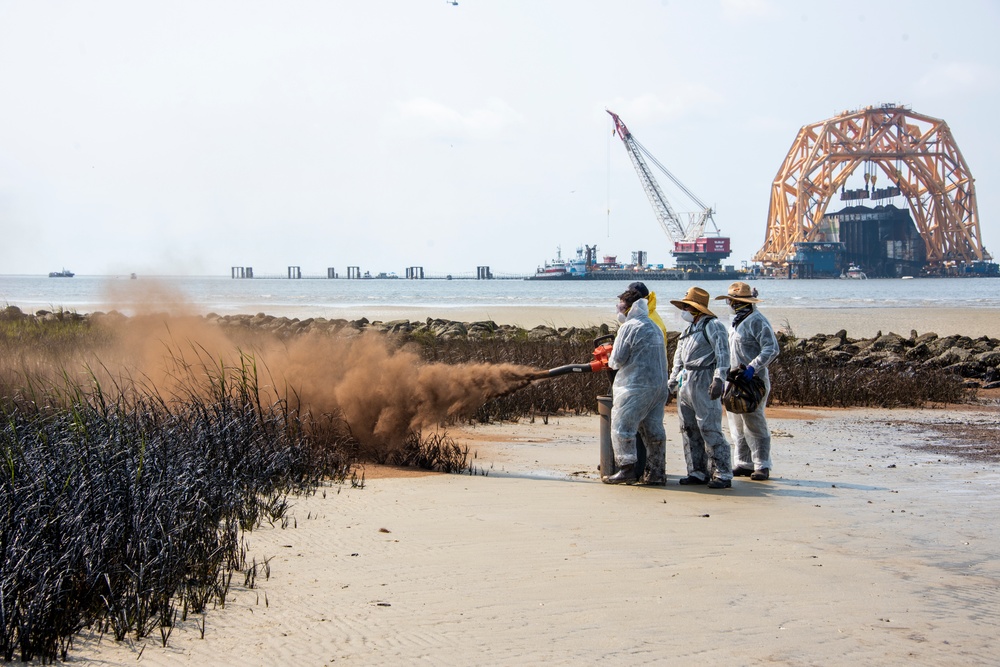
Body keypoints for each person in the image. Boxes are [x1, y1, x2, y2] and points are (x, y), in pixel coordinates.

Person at [604, 282, 670, 485]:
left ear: (630, 307)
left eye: (621, 306)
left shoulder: (628, 327)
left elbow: (616, 360)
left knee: (621, 426)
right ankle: (656, 472)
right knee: (653, 430)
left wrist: (608, 357)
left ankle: (626, 468)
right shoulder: (653, 325)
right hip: (659, 387)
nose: (619, 310)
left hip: (635, 387)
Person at [668, 287, 733, 489]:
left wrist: (719, 379)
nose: (684, 310)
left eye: (686, 306)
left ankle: (722, 473)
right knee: (688, 429)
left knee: (709, 428)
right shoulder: (687, 331)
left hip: (704, 378)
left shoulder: (713, 326)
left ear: (696, 309)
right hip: (685, 380)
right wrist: (671, 383)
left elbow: (723, 354)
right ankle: (697, 471)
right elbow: (678, 359)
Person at [714, 281, 779, 481]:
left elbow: (771, 348)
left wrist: (753, 366)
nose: (732, 305)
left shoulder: (757, 320)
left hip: (753, 381)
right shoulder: (736, 323)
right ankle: (743, 462)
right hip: (734, 381)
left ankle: (762, 465)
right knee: (736, 423)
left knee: (754, 421)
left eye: (734, 301)